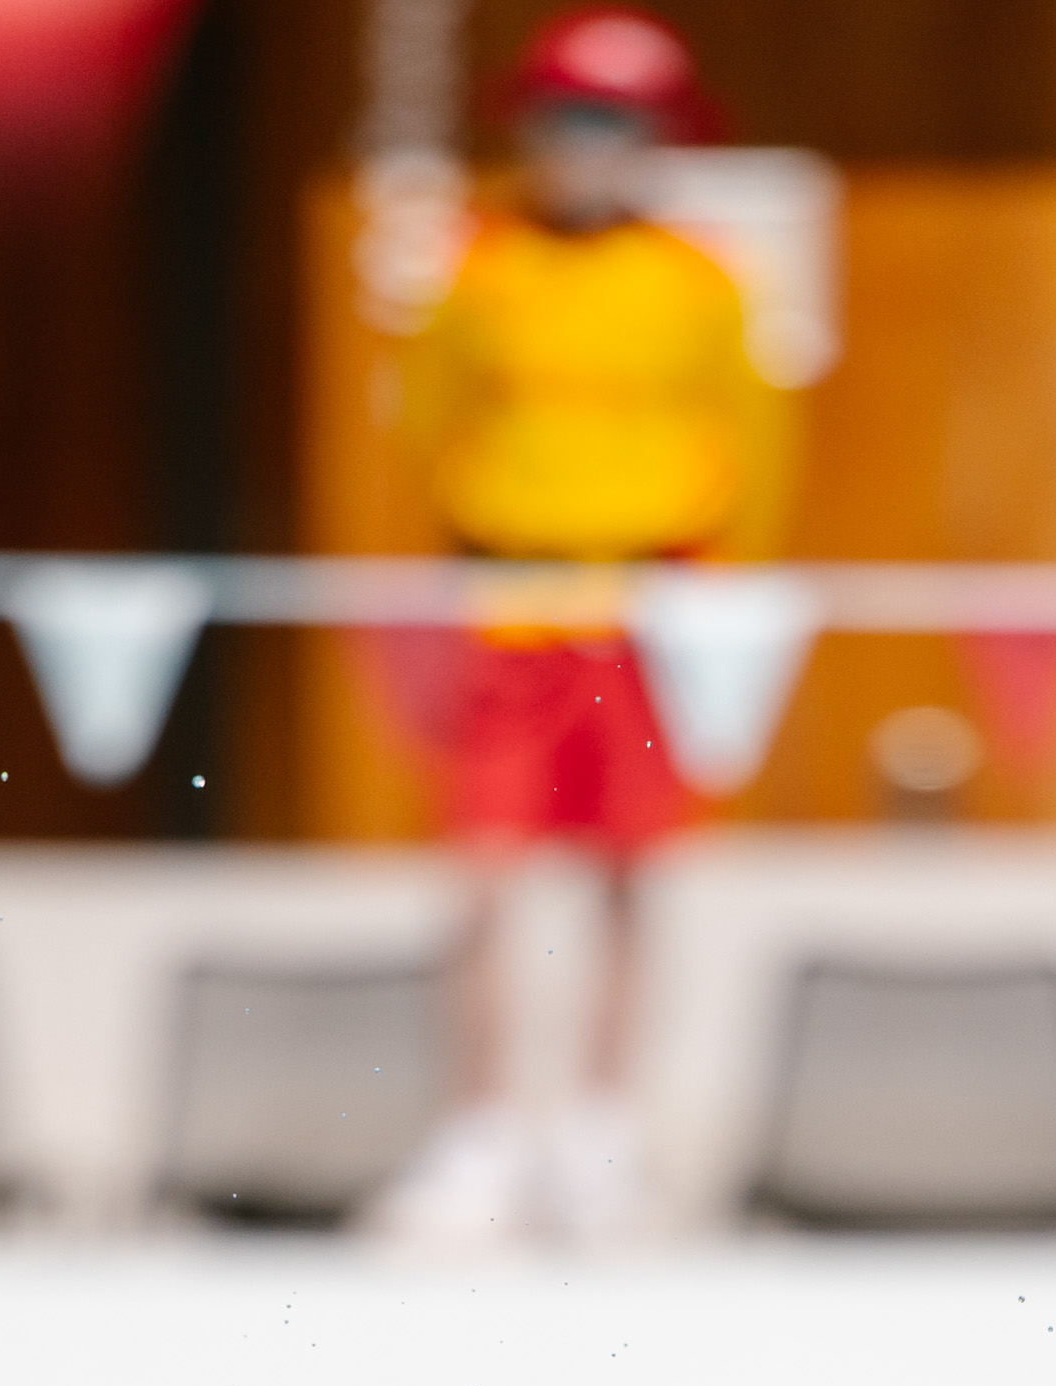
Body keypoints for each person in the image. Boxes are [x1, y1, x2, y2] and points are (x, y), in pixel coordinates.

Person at [369, 9, 791, 1252]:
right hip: (507, 602)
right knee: (483, 877)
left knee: (626, 883)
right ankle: (482, 1136)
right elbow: (427, 430)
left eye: (616, 122)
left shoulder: (699, 282)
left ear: (659, 138)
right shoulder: (480, 269)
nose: (588, 145)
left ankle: (602, 1139)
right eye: (567, 119)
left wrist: (724, 602)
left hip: (649, 605)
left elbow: (755, 454)